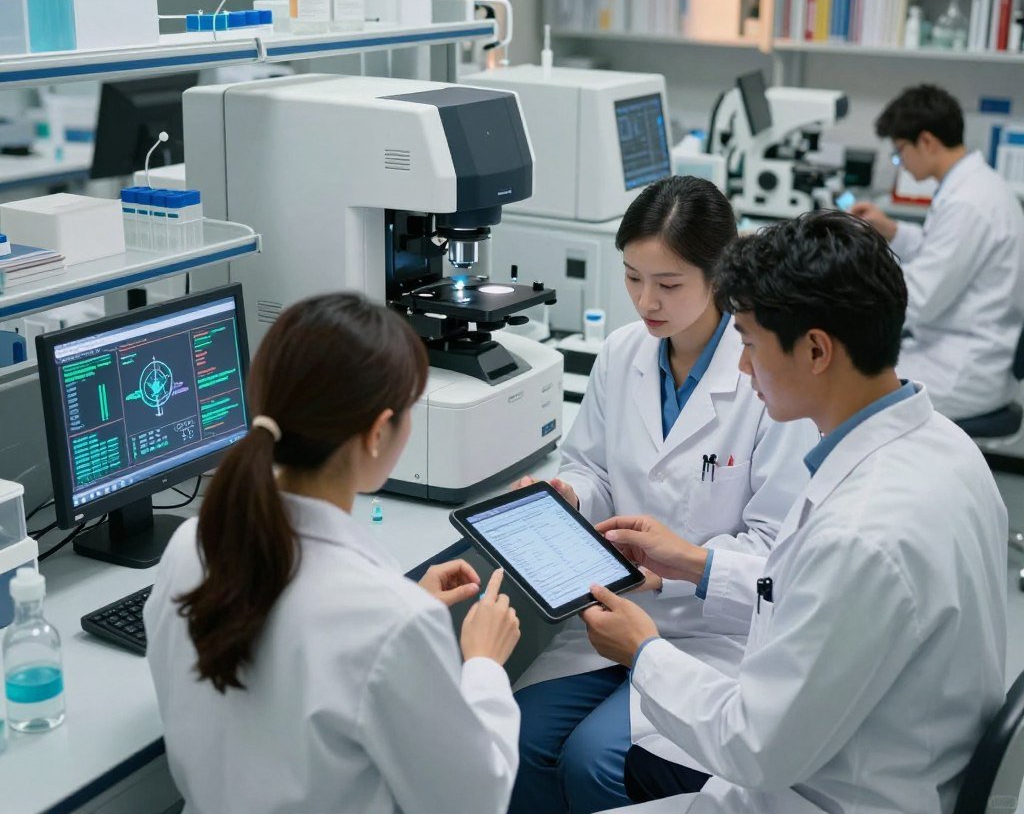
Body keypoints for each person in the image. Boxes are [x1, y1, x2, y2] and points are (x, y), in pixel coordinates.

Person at [582, 211, 1007, 814]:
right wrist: (697, 565)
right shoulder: (943, 445)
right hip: (875, 759)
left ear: (814, 350)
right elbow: (812, 596)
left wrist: (642, 651)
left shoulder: (863, 532)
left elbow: (754, 746)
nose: (744, 365)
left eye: (750, 343)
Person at [508, 176, 819, 814]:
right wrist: (568, 494)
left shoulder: (767, 376)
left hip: (710, 632)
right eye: (631, 277)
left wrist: (670, 573)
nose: (645, 301)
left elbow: (770, 545)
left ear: (721, 276)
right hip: (606, 614)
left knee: (594, 760)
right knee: (518, 735)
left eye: (669, 284)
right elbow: (591, 467)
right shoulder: (621, 354)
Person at [144, 293, 522, 814]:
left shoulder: (191, 546)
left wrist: (400, 618)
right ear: (376, 433)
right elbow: (475, 802)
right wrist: (482, 665)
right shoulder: (392, 621)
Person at [851, 84, 1024, 421]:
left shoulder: (968, 203)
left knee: (849, 383)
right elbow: (943, 250)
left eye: (900, 152)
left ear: (927, 141)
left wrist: (851, 285)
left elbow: (920, 300)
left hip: (964, 366)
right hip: (956, 346)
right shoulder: (976, 185)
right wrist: (893, 231)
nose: (901, 164)